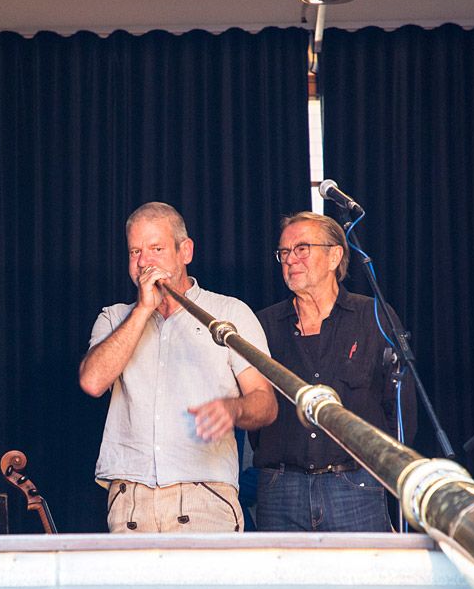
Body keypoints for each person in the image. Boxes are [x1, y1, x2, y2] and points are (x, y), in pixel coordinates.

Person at [79, 202, 278, 533]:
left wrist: (235, 408)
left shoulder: (229, 312)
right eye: (135, 252)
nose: (144, 262)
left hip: (205, 496)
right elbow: (92, 381)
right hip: (131, 500)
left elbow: (266, 403)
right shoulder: (114, 317)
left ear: (185, 251)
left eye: (156, 249)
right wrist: (143, 310)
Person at [251, 211, 416, 532]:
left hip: (355, 486)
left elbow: (400, 409)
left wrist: (379, 473)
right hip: (280, 488)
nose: (290, 260)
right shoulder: (264, 324)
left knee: (360, 581)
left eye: (301, 249)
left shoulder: (374, 316)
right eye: (283, 252)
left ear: (334, 255)